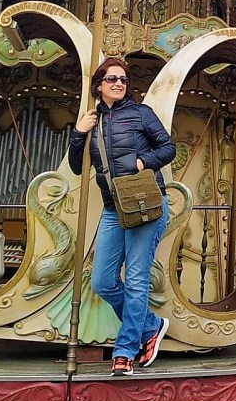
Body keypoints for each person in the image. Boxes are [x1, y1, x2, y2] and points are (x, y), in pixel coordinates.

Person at [68, 57, 176, 376]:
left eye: (124, 80)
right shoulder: (93, 122)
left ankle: (125, 351)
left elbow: (168, 148)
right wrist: (78, 132)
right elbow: (77, 166)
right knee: (102, 281)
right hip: (113, 208)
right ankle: (151, 326)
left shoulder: (141, 114)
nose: (119, 84)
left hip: (144, 202)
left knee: (137, 277)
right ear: (99, 84)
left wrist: (144, 160)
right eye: (112, 79)